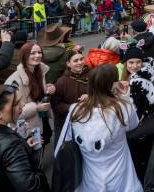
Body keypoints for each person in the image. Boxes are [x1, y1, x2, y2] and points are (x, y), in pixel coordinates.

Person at [55, 64, 142, 192]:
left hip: (90, 181)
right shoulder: (121, 108)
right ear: (112, 84)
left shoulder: (76, 110)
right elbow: (133, 124)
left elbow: (65, 139)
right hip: (122, 180)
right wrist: (124, 97)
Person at [5, 42, 55, 147]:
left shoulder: (39, 71)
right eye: (32, 53)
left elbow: (36, 93)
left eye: (39, 52)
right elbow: (11, 113)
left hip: (42, 121)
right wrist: (36, 107)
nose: (37, 55)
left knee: (41, 152)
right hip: (27, 129)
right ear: (24, 56)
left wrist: (49, 88)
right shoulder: (14, 80)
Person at [122, 43, 154, 184]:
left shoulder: (141, 82)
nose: (135, 65)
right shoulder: (128, 80)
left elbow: (135, 111)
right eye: (131, 62)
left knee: (142, 165)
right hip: (138, 130)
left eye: (138, 62)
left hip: (140, 131)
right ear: (125, 64)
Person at [50, 50, 89, 148]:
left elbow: (99, 93)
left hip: (89, 121)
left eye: (81, 59)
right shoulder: (61, 81)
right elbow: (56, 105)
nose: (80, 63)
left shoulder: (91, 74)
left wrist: (90, 97)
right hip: (70, 124)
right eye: (75, 61)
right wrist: (73, 108)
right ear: (68, 63)